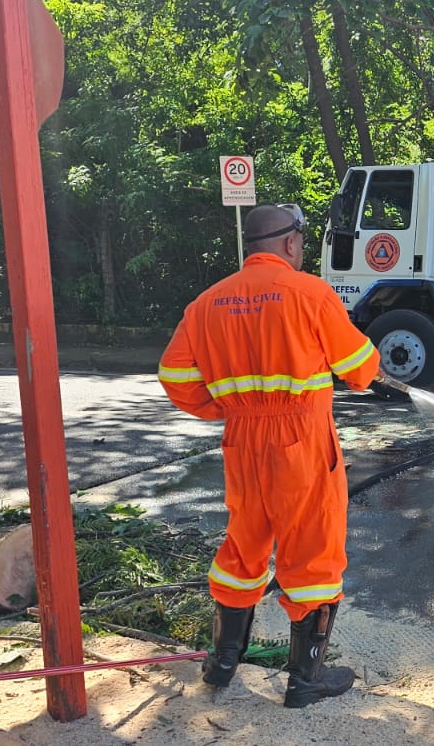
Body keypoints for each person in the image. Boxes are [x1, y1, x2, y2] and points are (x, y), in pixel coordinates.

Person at [158, 203, 379, 708]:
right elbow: (360, 368)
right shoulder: (310, 294)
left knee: (243, 545)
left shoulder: (207, 303)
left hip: (243, 440)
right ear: (291, 244)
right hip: (301, 442)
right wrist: (372, 364)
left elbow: (173, 375)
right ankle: (304, 682)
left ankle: (221, 664)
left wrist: (226, 410)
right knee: (313, 553)